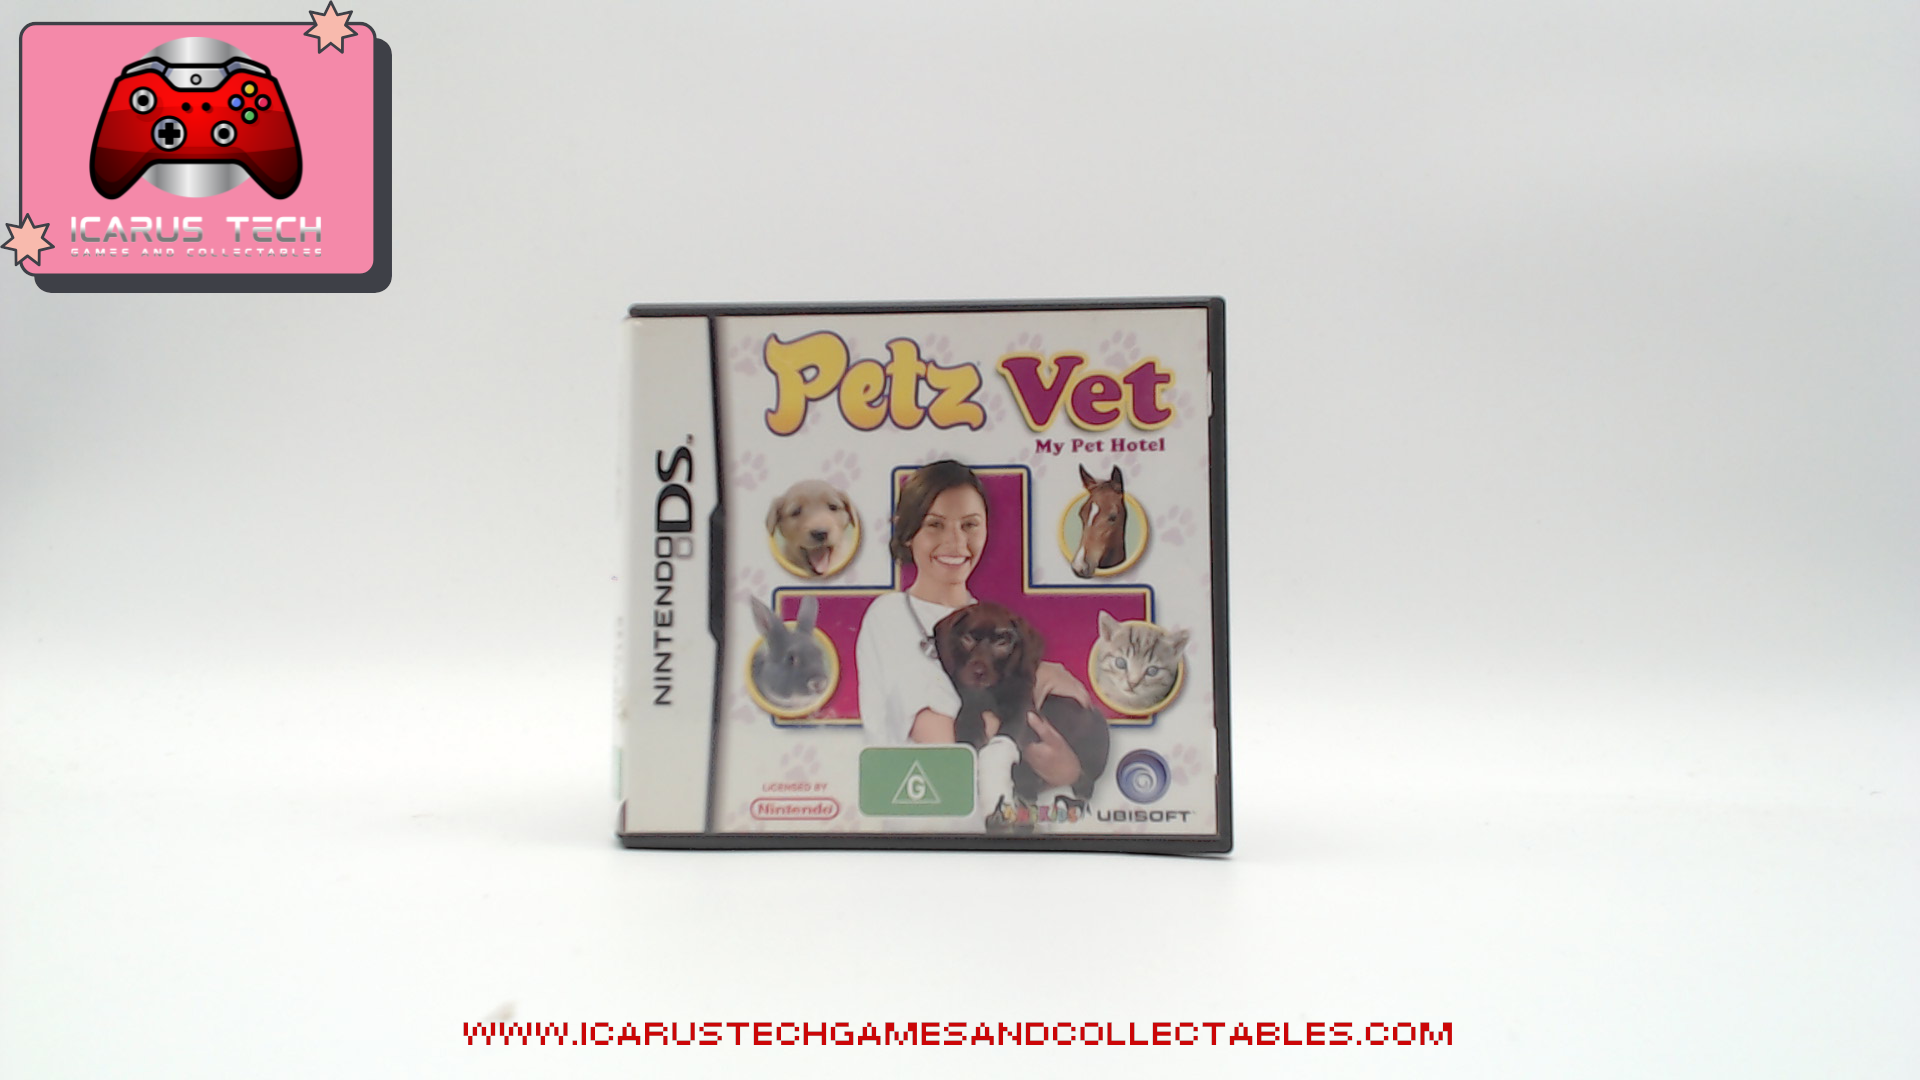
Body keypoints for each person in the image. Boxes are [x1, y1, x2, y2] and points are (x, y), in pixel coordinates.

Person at [855, 460, 1089, 795]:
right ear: (907, 533)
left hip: (1008, 816)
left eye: (970, 525)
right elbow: (940, 738)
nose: (956, 541)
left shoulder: (992, 625)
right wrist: (1057, 759)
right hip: (922, 806)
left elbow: (1059, 749)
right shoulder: (890, 615)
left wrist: (1070, 768)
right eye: (935, 524)